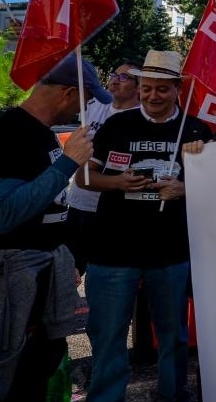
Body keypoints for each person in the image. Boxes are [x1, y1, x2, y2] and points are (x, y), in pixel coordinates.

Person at [79, 50, 212, 402]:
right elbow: (82, 176)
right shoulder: (116, 124)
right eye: (147, 88)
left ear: (177, 90)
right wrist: (117, 183)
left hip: (169, 252)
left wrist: (186, 188)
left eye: (162, 89)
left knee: (172, 336)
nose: (153, 96)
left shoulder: (197, 129)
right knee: (108, 334)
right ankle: (107, 397)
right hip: (112, 251)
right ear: (139, 87)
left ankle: (171, 394)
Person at [0, 55, 103, 401]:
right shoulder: (7, 134)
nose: (84, 109)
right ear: (68, 93)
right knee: (9, 380)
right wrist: (68, 163)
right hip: (11, 288)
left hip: (42, 281)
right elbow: (4, 214)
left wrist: (65, 257)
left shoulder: (43, 134)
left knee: (39, 372)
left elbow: (52, 206)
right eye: (85, 99)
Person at [67, 61, 141, 272]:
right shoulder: (93, 105)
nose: (115, 79)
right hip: (79, 201)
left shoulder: (142, 118)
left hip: (110, 209)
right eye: (113, 74)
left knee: (104, 271)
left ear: (138, 87)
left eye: (124, 77)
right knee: (70, 270)